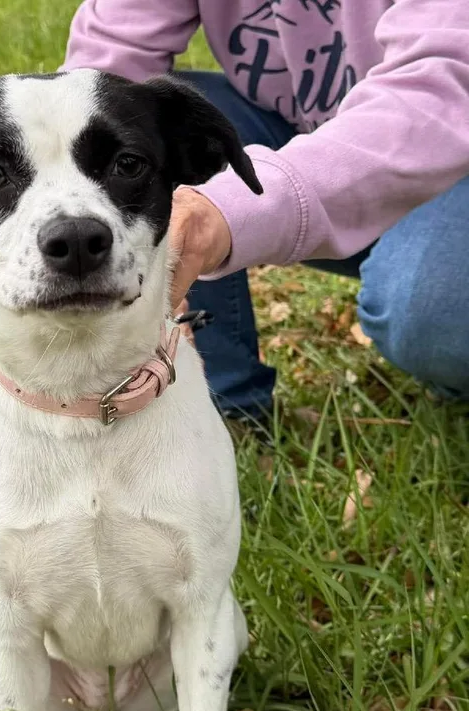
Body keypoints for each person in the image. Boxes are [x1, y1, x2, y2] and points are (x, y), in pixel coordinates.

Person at [61, 0, 469, 421]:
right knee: (154, 125)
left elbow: (440, 92)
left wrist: (224, 210)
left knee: (430, 321)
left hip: (455, 153)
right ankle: (224, 407)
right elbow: (108, 68)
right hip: (311, 129)